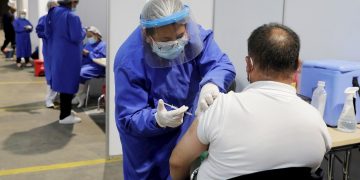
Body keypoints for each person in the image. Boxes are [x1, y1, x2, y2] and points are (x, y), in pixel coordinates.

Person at [170, 23, 332, 180]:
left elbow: (177, 163)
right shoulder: (315, 119)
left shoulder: (220, 108)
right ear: (297, 65)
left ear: (249, 64)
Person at [114, 0, 236, 179]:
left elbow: (221, 64)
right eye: (165, 41)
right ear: (147, 35)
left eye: (179, 35)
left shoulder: (193, 36)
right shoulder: (129, 60)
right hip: (149, 147)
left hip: (186, 131)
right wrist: (157, 119)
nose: (177, 44)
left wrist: (212, 84)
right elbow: (128, 117)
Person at [45, 0, 85, 124]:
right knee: (68, 82)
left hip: (57, 53)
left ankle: (65, 111)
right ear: (72, 2)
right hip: (69, 55)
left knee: (62, 82)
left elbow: (47, 32)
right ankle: (65, 116)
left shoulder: (52, 13)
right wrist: (83, 31)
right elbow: (76, 36)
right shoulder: (72, 16)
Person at [72, 26, 106, 108]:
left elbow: (102, 58)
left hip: (96, 67)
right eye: (88, 36)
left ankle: (80, 96)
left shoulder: (103, 45)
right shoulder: (88, 44)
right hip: (86, 65)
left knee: (81, 73)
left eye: (90, 36)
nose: (89, 38)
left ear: (97, 35)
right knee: (73, 71)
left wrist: (88, 54)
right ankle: (80, 95)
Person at [36, 0, 59, 108]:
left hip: (61, 52)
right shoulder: (44, 19)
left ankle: (57, 97)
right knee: (51, 76)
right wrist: (46, 34)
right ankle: (49, 99)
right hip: (50, 51)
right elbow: (39, 31)